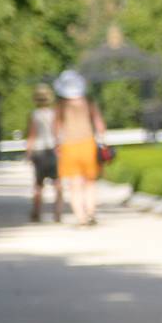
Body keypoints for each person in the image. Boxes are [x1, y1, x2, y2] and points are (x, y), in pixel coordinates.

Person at [51, 70, 105, 227]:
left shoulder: (61, 105)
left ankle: (81, 217)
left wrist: (57, 143)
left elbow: (56, 127)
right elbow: (99, 124)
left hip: (68, 145)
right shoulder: (88, 102)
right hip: (88, 143)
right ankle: (91, 212)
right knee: (90, 182)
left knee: (75, 184)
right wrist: (102, 140)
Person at [26, 84, 62, 222]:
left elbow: (32, 135)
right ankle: (57, 213)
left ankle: (36, 212)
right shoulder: (54, 114)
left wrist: (28, 153)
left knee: (38, 184)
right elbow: (57, 132)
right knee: (57, 183)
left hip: (39, 150)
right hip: (52, 149)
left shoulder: (34, 115)